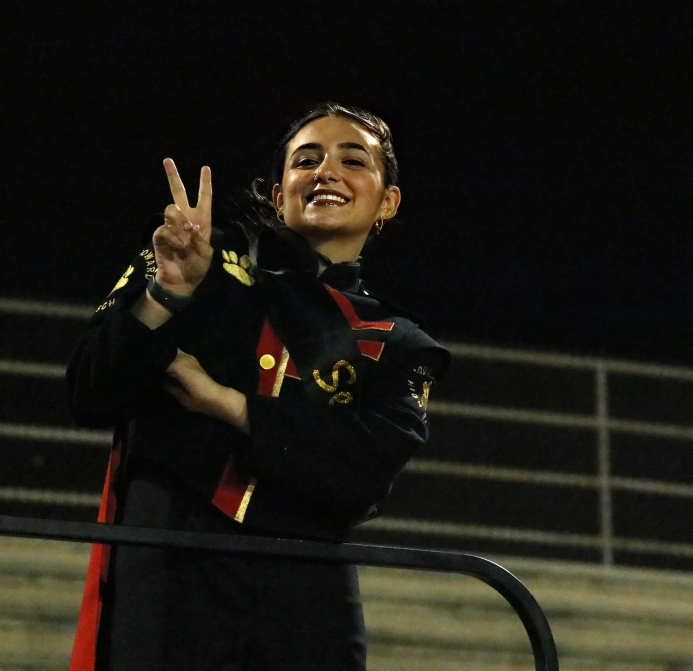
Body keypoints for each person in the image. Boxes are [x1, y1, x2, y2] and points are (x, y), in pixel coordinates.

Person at [66, 101, 450, 671]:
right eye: (307, 159)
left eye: (354, 160)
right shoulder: (197, 256)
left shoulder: (401, 341)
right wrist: (168, 291)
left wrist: (229, 405)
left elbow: (365, 470)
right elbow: (89, 392)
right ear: (278, 195)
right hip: (174, 569)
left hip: (309, 592)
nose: (326, 172)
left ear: (387, 201)